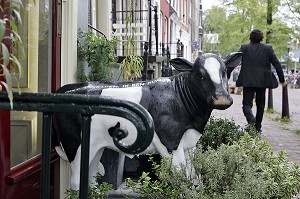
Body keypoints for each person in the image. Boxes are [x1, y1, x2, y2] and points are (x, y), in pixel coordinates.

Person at [236, 29, 287, 132]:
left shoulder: (244, 48)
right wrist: (282, 80)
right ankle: (257, 126)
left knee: (246, 104)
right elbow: (277, 64)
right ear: (261, 38)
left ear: (250, 37)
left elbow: (234, 60)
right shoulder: (267, 49)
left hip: (248, 81)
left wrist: (227, 75)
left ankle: (251, 121)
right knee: (260, 105)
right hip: (262, 81)